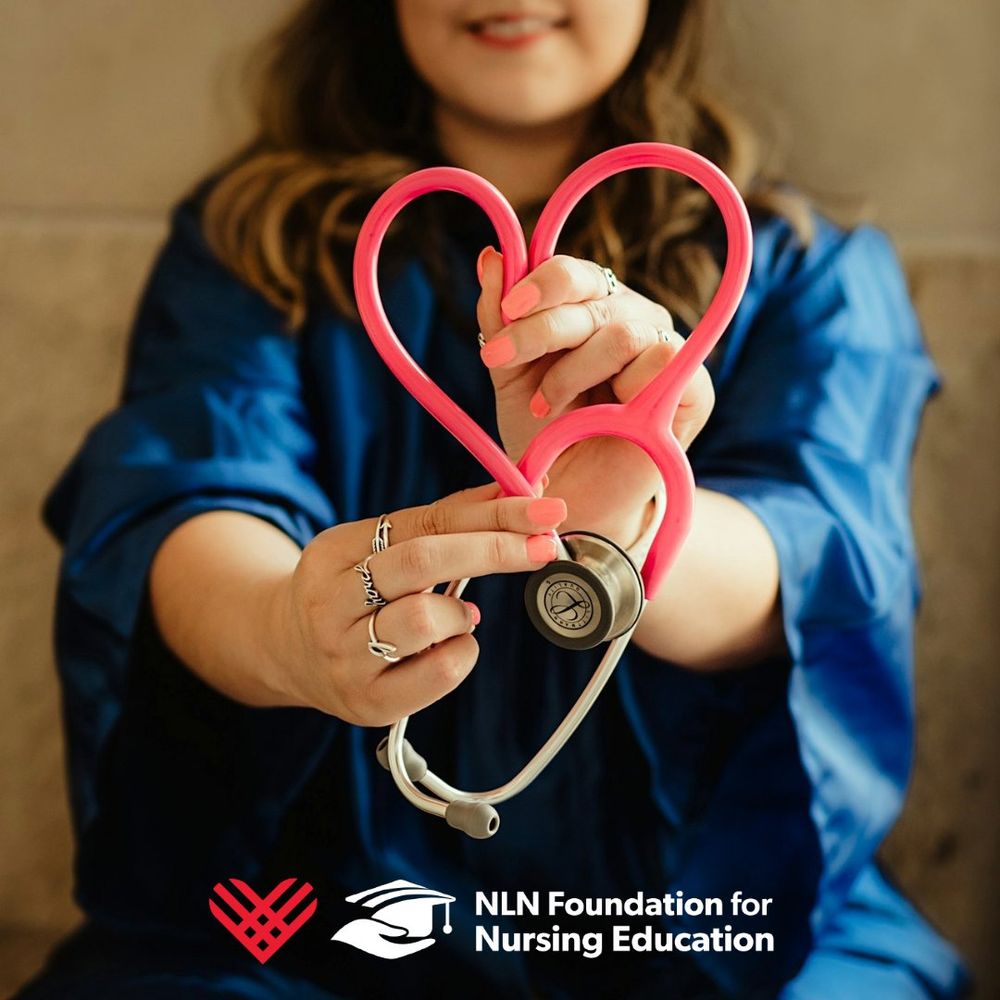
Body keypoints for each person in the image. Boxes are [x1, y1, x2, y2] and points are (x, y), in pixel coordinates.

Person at [19, 1, 969, 997]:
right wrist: (288, 632)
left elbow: (818, 558)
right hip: (312, 919)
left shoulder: (804, 271)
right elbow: (181, 497)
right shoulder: (247, 248)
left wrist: (619, 529)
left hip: (714, 914)